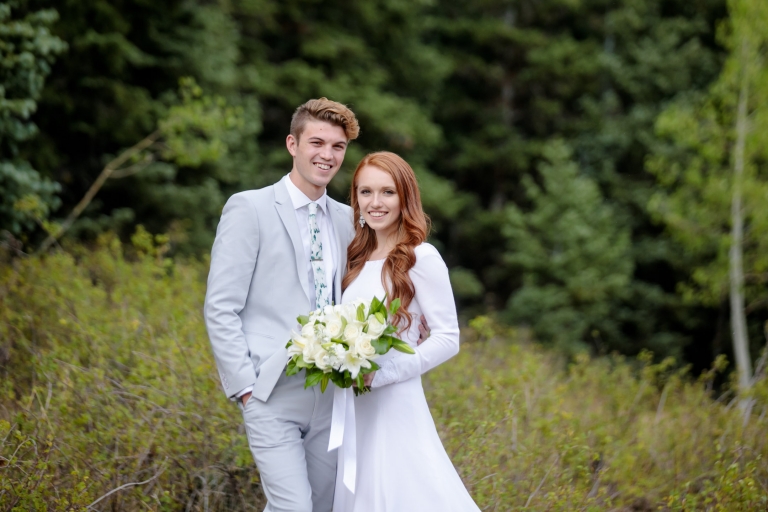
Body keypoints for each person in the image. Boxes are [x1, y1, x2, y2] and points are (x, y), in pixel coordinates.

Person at [204, 98, 359, 512]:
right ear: (292, 143)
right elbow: (220, 305)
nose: (327, 155)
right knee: (294, 508)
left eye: (338, 147)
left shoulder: (348, 220)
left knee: (323, 507)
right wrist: (245, 388)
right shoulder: (249, 208)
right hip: (270, 389)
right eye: (317, 142)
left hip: (332, 395)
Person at [331, 152, 480, 512]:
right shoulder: (353, 259)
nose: (375, 203)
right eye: (366, 192)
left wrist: (384, 374)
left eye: (387, 192)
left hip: (394, 401)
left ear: (405, 197)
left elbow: (448, 337)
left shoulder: (420, 257)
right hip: (352, 408)